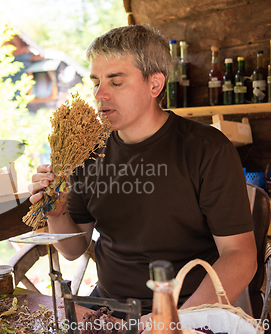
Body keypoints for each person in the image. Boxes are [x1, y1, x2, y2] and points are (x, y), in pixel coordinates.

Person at [28, 24, 257, 322]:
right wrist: (57, 214)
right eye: (96, 81)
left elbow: (240, 256)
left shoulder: (206, 149)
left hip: (189, 308)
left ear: (155, 85)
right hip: (109, 310)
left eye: (116, 82)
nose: (100, 94)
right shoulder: (88, 152)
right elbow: (74, 249)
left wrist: (174, 319)